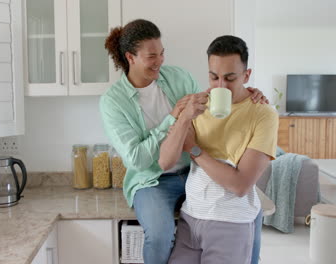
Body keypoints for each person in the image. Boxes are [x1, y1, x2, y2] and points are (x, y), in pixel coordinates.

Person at [100, 19, 267, 264]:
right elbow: (137, 159)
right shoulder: (113, 102)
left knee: (253, 210)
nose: (159, 61)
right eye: (151, 56)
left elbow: (211, 109)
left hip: (193, 171)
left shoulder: (178, 77)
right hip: (152, 180)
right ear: (131, 57)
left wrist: (246, 93)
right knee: (159, 235)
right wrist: (172, 119)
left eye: (162, 53)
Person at [160, 35, 278, 264]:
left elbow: (240, 184)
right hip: (190, 219)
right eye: (214, 77)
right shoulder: (196, 106)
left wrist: (194, 149)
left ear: (246, 75)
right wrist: (184, 119)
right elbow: (165, 161)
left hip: (230, 224)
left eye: (230, 78)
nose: (220, 86)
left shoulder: (263, 114)